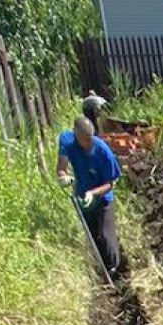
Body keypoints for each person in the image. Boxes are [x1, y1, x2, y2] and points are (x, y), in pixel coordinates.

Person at [57, 116, 123, 278]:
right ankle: (101, 270)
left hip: (102, 197)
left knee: (105, 234)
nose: (87, 143)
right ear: (75, 135)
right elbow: (61, 167)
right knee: (93, 236)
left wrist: (92, 193)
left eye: (90, 139)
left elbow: (110, 184)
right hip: (82, 197)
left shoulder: (103, 151)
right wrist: (64, 177)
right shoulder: (67, 141)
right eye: (83, 140)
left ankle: (115, 269)